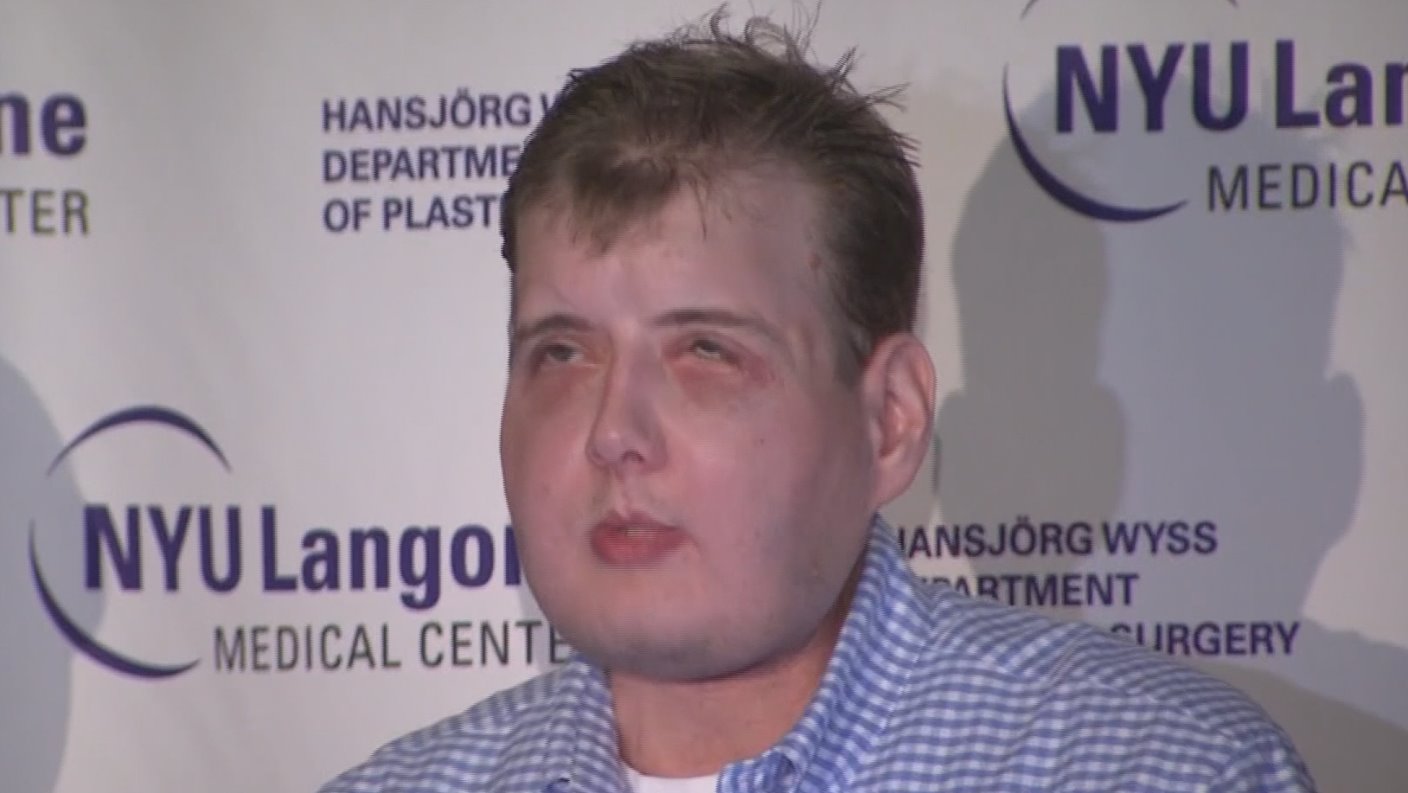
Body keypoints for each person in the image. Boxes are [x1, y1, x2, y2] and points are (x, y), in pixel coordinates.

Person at [320, 10, 1313, 793]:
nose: (613, 433)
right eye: (563, 352)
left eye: (706, 350)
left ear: (890, 421)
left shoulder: (1156, 771)